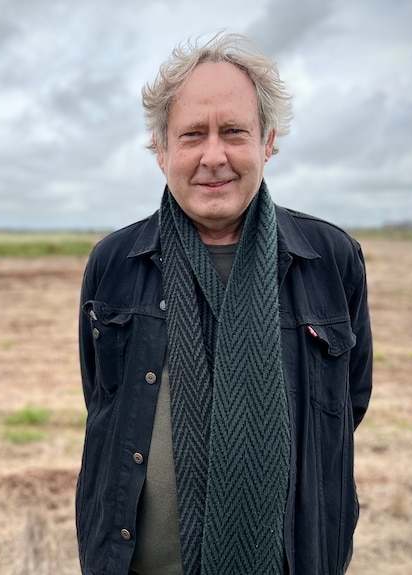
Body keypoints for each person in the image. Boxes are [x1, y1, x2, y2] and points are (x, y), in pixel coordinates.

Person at [75, 33, 373, 575]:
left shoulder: (331, 260)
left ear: (268, 142)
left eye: (234, 132)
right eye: (192, 135)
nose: (214, 156)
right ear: (162, 151)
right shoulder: (113, 264)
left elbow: (345, 407)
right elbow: (103, 404)